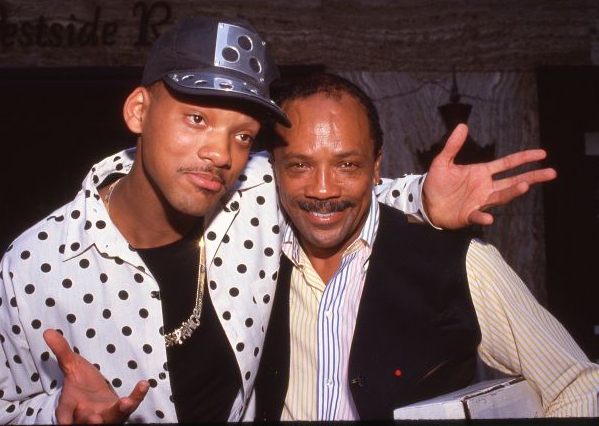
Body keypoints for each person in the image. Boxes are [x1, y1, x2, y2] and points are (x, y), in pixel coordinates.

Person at [0, 18, 557, 425]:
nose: (219, 153)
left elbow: (333, 190)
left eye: (242, 135)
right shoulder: (35, 264)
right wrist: (54, 416)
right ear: (138, 110)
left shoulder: (255, 195)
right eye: (196, 117)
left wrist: (425, 201)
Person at [254, 73, 599, 421]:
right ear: (274, 170)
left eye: (347, 164)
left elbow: (579, 388)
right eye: (299, 165)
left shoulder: (460, 264)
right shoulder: (252, 265)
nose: (323, 189)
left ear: (376, 166)